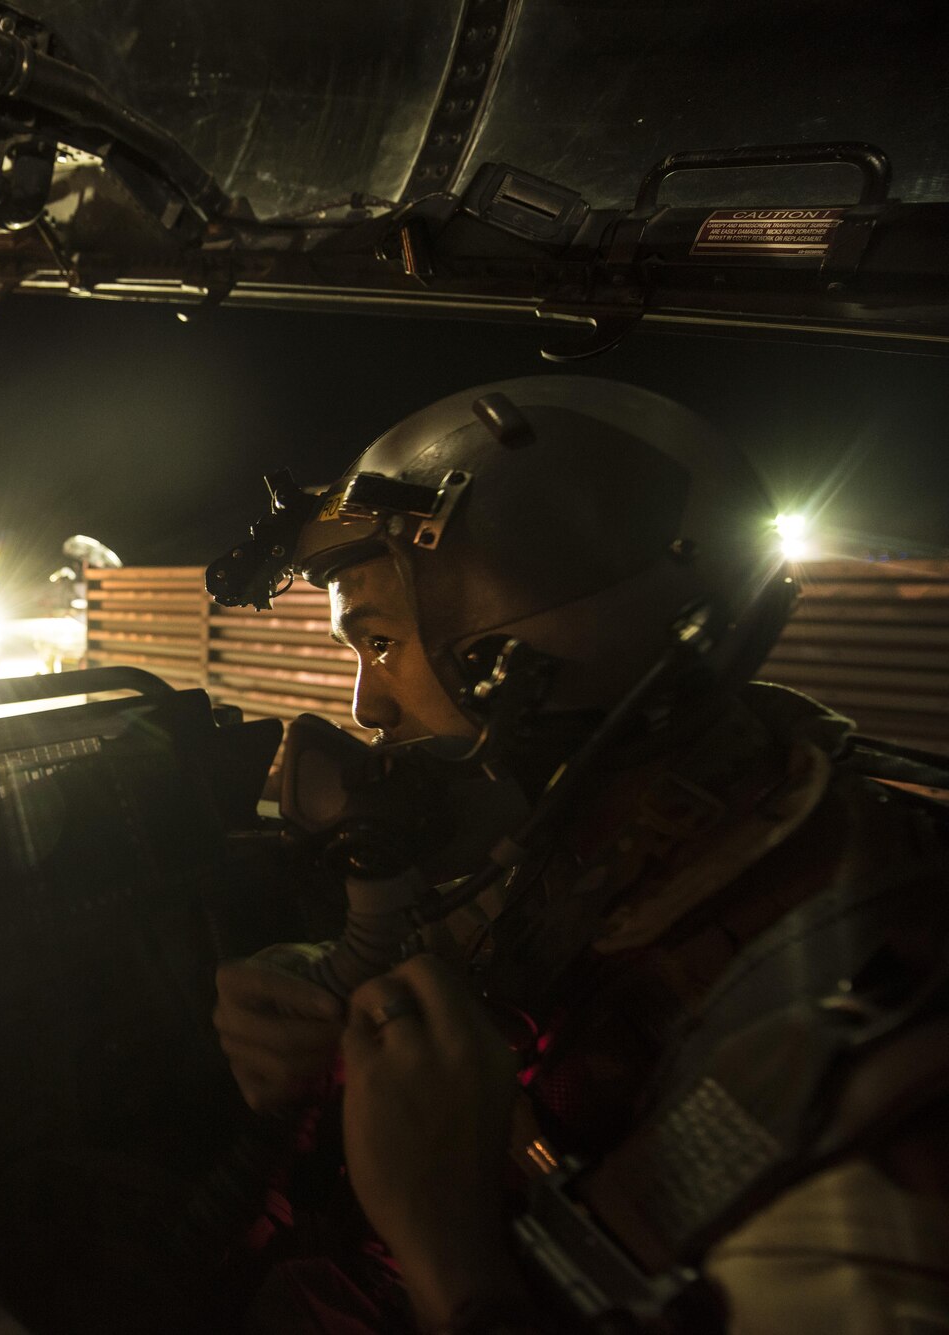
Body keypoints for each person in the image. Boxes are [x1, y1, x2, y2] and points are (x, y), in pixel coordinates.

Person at [211, 376, 949, 1332]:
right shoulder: (640, 827)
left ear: (522, 648)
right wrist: (312, 990)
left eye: (382, 641)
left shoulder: (882, 1089)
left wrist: (447, 1253)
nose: (366, 709)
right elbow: (465, 953)